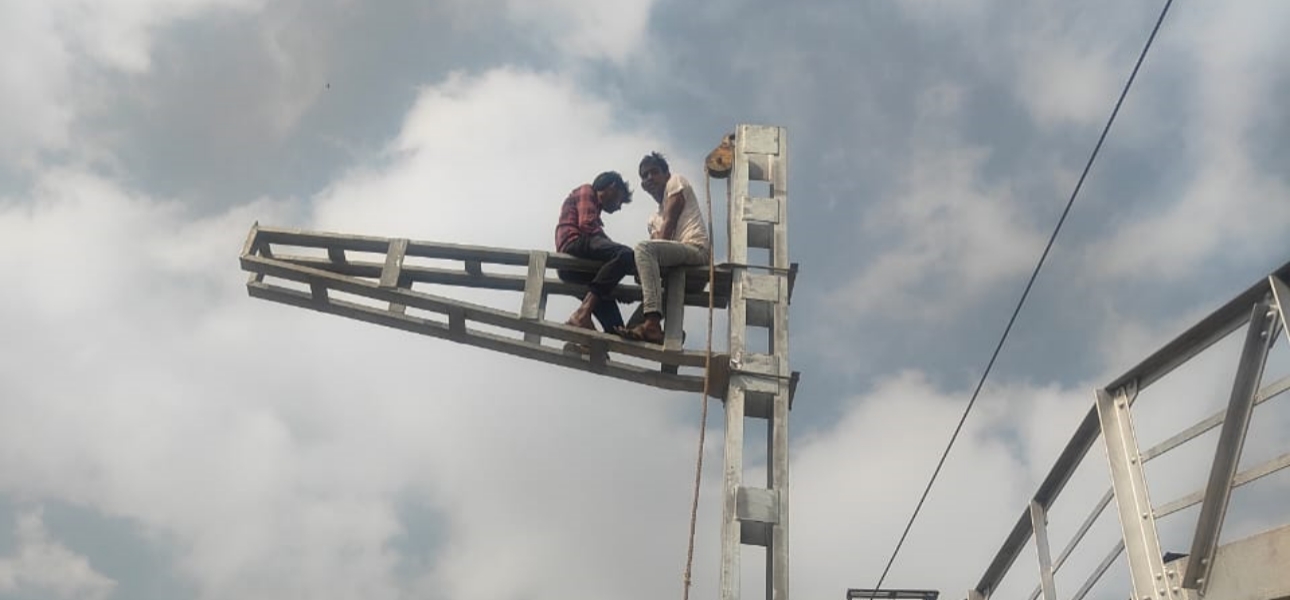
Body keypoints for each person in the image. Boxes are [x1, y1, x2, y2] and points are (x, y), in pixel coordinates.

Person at [616, 152, 709, 344]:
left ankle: (652, 324)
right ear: (642, 185)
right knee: (630, 331)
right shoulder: (652, 219)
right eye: (644, 176)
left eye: (654, 172)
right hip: (674, 270)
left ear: (666, 174)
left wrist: (643, 268)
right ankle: (667, 335)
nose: (649, 178)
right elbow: (657, 249)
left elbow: (669, 224)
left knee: (643, 249)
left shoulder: (675, 182)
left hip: (695, 251)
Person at [554, 171, 635, 334]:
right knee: (626, 254)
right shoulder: (587, 191)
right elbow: (587, 226)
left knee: (616, 329)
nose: (619, 207)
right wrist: (621, 258)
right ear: (612, 187)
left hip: (581, 271)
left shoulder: (594, 208)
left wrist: (616, 288)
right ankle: (583, 314)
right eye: (620, 200)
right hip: (574, 245)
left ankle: (584, 345)